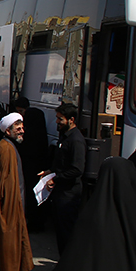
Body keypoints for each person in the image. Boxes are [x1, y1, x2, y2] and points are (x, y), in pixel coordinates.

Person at [0, 112, 33, 271]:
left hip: (12, 201)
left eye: (22, 128)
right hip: (9, 203)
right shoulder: (5, 149)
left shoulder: (8, 147)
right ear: (8, 131)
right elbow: (5, 182)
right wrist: (9, 205)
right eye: (18, 129)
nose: (21, 131)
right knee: (10, 237)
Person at [48, 102, 85, 254]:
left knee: (67, 231)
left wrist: (56, 179)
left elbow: (76, 169)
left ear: (71, 120)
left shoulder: (76, 140)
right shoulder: (65, 136)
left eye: (60, 119)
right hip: (60, 192)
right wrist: (50, 171)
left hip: (69, 194)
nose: (57, 122)